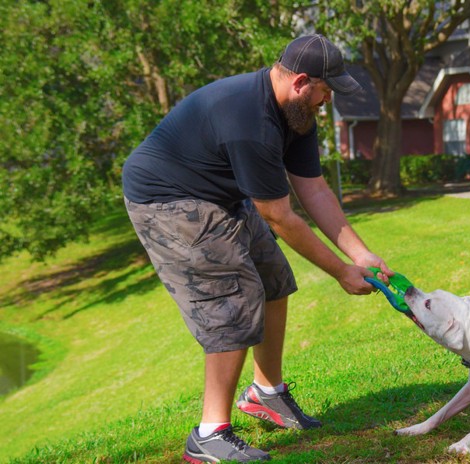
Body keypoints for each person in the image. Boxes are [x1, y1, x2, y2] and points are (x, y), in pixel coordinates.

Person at [122, 34, 391, 463]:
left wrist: (359, 255)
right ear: (302, 81)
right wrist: (341, 272)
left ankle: (266, 393)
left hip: (217, 192)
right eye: (326, 90)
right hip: (167, 199)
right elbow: (280, 217)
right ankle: (209, 435)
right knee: (232, 299)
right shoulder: (251, 121)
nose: (329, 100)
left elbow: (315, 190)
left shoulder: (297, 113)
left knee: (274, 281)